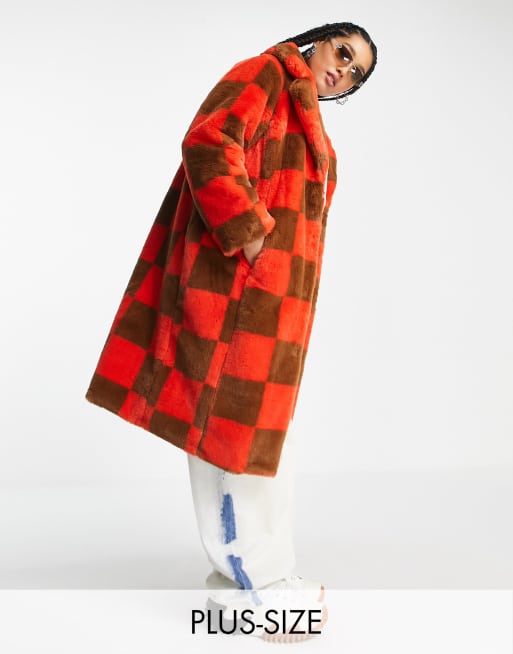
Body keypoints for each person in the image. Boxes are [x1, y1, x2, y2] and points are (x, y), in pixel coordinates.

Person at [85, 21, 377, 640]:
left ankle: (244, 587)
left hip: (276, 314)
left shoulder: (308, 119)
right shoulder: (266, 74)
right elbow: (209, 140)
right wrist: (250, 240)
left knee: (263, 448)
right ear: (320, 39)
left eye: (355, 73)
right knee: (228, 443)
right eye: (343, 52)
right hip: (235, 301)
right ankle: (260, 587)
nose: (342, 71)